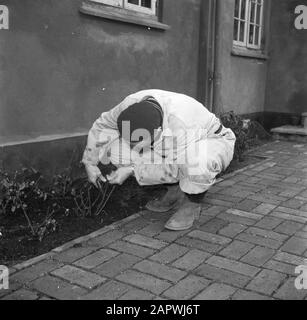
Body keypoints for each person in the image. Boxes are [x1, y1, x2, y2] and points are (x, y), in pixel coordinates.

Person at [83, 89, 236, 231]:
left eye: (138, 142)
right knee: (115, 151)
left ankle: (192, 204)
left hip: (211, 141)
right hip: (170, 141)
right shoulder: (129, 105)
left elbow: (175, 168)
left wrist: (132, 170)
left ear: (157, 131)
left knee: (196, 162)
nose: (133, 146)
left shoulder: (181, 123)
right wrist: (90, 163)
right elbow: (102, 126)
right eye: (131, 141)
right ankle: (174, 192)